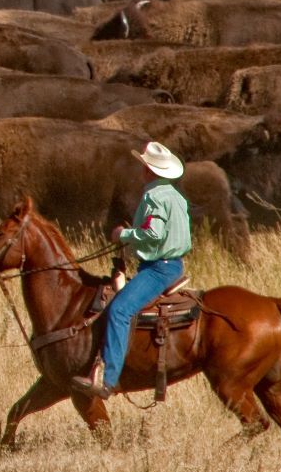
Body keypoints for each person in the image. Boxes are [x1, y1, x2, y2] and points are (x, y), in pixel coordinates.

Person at [72, 141, 192, 401]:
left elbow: (153, 233)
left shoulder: (154, 196)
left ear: (149, 171)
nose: (141, 171)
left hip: (158, 268)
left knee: (119, 310)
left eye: (143, 167)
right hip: (172, 264)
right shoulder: (176, 196)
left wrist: (123, 234)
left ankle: (108, 379)